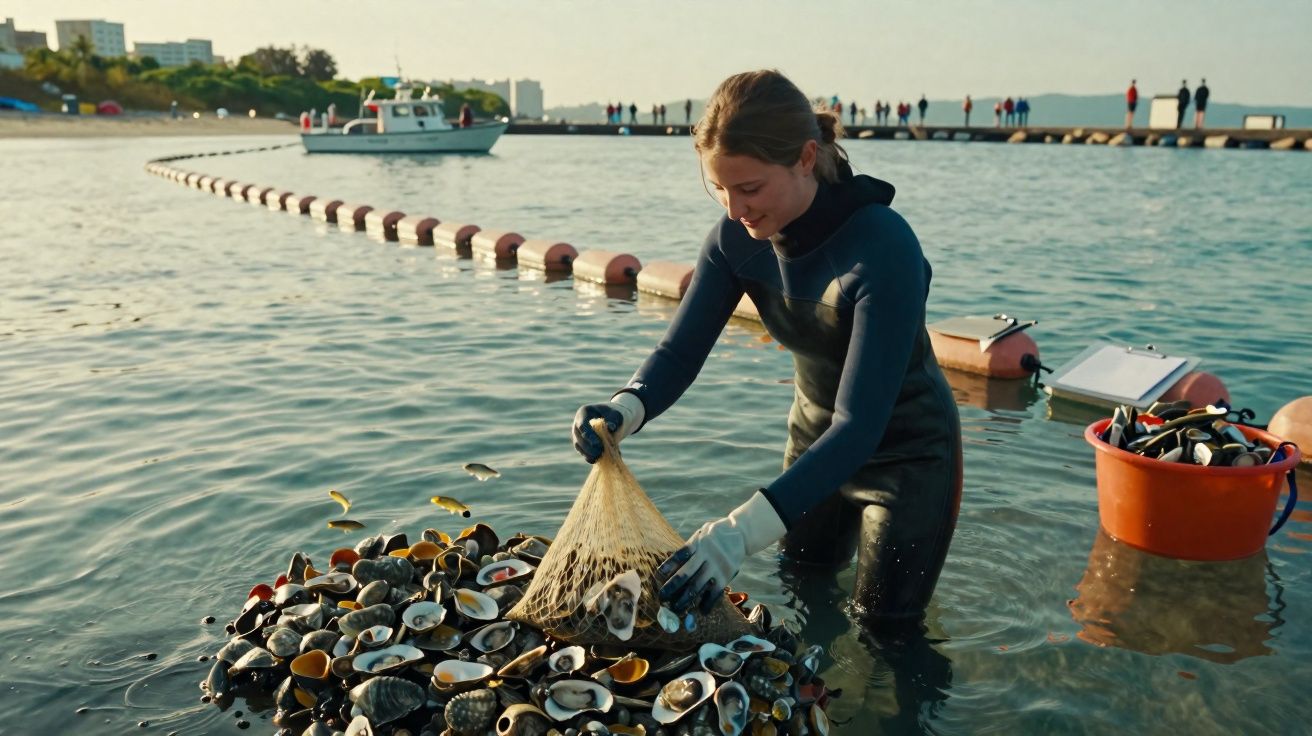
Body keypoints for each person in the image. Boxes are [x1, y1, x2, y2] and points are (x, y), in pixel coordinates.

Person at [571, 69, 963, 625]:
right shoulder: (734, 240)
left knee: (885, 634)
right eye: (719, 189)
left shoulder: (883, 247)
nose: (734, 210)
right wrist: (624, 408)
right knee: (800, 591)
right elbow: (680, 353)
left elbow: (859, 425)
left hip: (907, 459)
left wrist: (736, 535)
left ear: (806, 158)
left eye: (749, 188)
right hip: (812, 444)